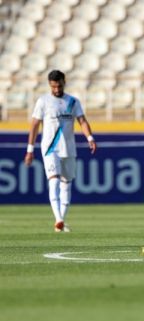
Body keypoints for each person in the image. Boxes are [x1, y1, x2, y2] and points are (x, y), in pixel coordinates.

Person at [24, 70, 97, 232]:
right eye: (53, 86)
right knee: (54, 180)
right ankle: (57, 218)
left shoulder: (72, 102)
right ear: (50, 85)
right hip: (50, 148)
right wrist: (30, 149)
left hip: (69, 148)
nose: (56, 89)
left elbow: (82, 121)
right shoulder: (43, 101)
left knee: (67, 184)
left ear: (64, 82)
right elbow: (35, 125)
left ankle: (61, 222)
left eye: (59, 86)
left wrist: (90, 138)